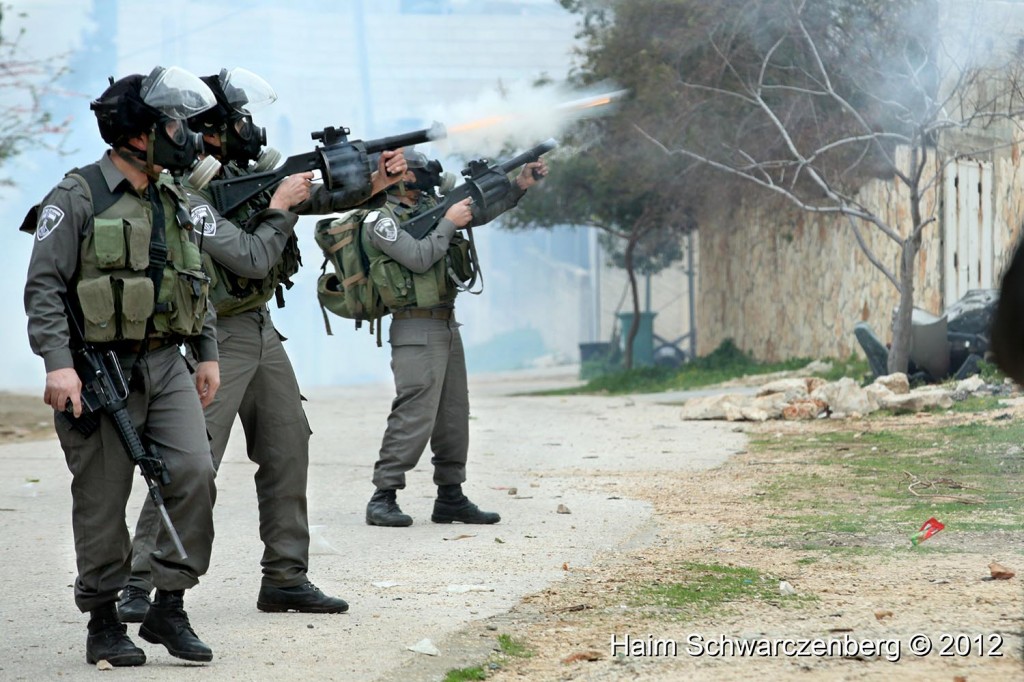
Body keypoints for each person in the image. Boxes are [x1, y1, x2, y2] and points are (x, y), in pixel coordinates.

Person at [117, 67, 408, 620]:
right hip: (212, 340)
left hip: (259, 331)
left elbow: (313, 202)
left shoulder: (239, 180)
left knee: (286, 447)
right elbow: (251, 255)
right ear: (207, 130)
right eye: (238, 120)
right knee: (188, 462)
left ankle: (285, 577)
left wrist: (375, 182)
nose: (250, 129)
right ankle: (138, 580)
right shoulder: (184, 194)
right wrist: (280, 203)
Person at [21, 67, 221, 666]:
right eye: (172, 123)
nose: (183, 134)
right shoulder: (78, 195)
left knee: (194, 474)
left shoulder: (175, 197)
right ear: (137, 132)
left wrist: (206, 351)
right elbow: (44, 290)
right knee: (103, 499)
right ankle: (104, 619)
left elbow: (195, 278)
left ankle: (168, 605)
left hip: (166, 366)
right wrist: (59, 367)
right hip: (96, 374)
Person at [362, 150, 548, 527]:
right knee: (415, 412)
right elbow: (417, 257)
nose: (427, 176)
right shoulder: (379, 219)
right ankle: (383, 495)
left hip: (446, 322)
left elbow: (476, 213)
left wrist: (518, 186)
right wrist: (448, 223)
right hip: (414, 326)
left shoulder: (431, 205)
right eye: (418, 170)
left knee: (453, 415)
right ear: (401, 177)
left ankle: (450, 495)